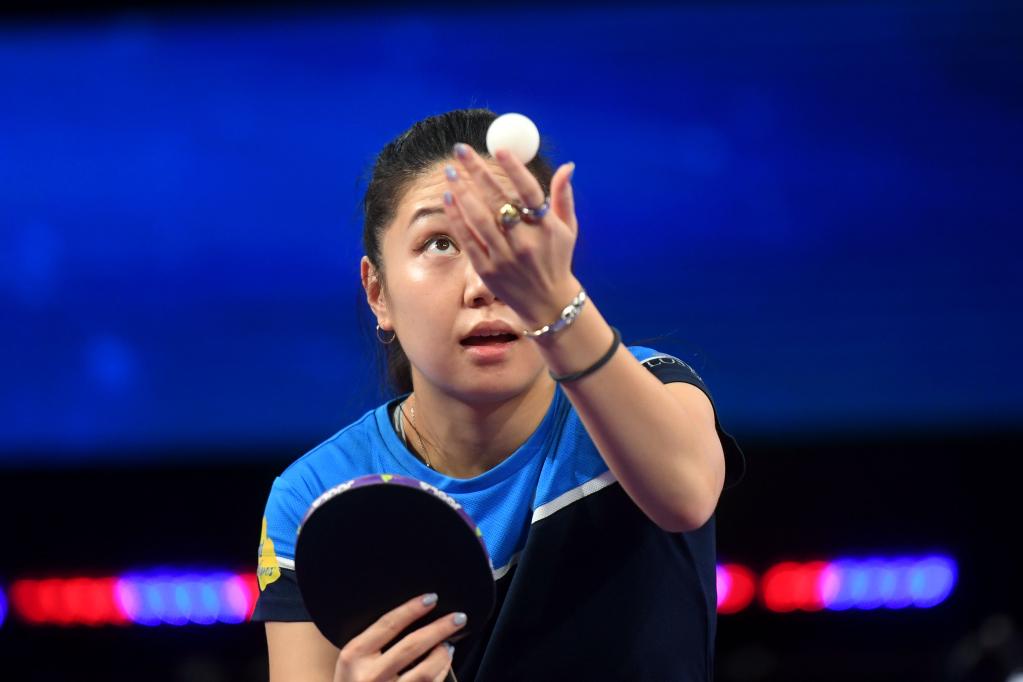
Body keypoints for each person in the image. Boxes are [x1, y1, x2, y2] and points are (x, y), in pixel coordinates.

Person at [253, 108, 745, 682]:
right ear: (378, 292)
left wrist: (555, 300)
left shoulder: (648, 387)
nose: (484, 283)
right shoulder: (316, 496)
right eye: (439, 243)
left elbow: (685, 497)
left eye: (508, 238)